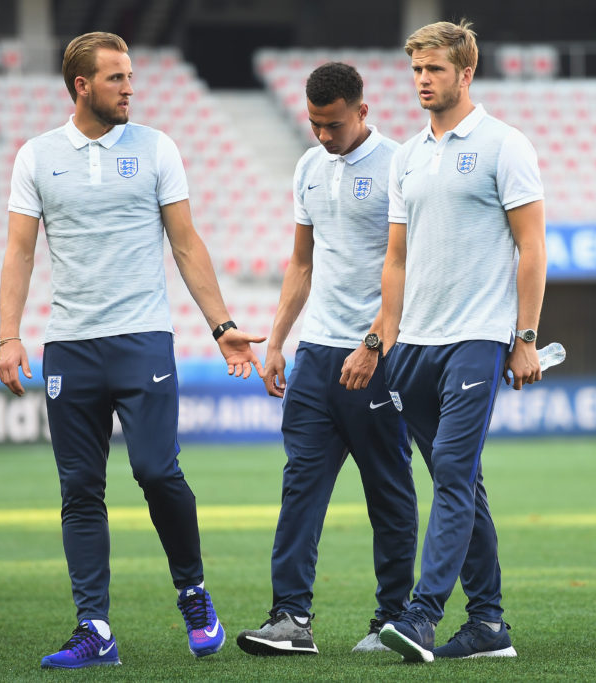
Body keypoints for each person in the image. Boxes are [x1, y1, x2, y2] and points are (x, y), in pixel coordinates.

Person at [0, 32, 264, 669]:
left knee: (155, 470)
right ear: (82, 85)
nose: (130, 88)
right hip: (70, 347)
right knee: (79, 489)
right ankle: (94, 627)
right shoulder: (37, 156)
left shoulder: (155, 148)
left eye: (130, 76)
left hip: (143, 338)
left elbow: (187, 243)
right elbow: (19, 251)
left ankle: (193, 592)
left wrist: (221, 324)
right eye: (116, 78)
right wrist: (10, 334)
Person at [376, 20, 546, 662]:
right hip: (412, 346)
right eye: (416, 69)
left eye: (435, 70)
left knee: (450, 474)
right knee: (461, 481)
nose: (422, 80)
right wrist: (385, 340)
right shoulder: (407, 154)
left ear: (466, 73)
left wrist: (524, 336)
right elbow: (396, 257)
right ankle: (490, 626)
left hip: (477, 338)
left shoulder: (505, 145)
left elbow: (532, 247)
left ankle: (420, 617)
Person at [236, 62, 418, 657]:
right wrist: (276, 342)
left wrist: (372, 344)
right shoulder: (309, 167)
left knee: (387, 491)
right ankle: (290, 618)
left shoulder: (400, 165)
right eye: (314, 124)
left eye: (333, 124)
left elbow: (410, 268)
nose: (322, 136)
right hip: (316, 355)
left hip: (378, 355)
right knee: (300, 487)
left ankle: (393, 620)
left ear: (362, 112)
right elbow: (301, 264)